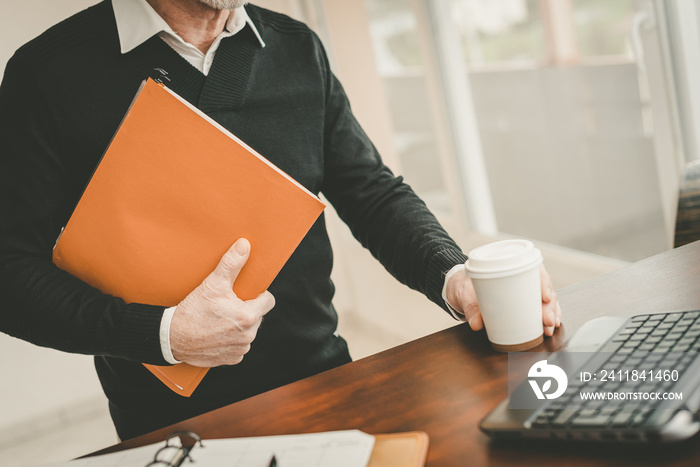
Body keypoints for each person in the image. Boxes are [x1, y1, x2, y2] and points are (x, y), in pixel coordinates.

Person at [0, 0, 561, 440]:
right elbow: (8, 272)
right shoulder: (46, 73)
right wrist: (165, 334)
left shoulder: (297, 47)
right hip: (170, 430)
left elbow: (372, 193)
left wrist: (455, 273)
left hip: (328, 388)